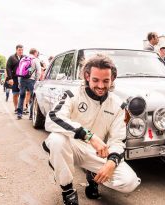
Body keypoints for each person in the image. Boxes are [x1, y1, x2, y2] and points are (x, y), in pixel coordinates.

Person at [42, 54, 141, 205]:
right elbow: (53, 118)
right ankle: (68, 191)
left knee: (129, 182)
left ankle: (93, 175)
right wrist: (89, 136)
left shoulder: (118, 105)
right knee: (56, 140)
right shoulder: (72, 95)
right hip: (72, 145)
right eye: (95, 80)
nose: (101, 86)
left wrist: (112, 162)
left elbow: (118, 140)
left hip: (97, 152)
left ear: (112, 79)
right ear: (87, 76)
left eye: (106, 81)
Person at [17, 48, 42, 120]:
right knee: (32, 98)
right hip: (31, 80)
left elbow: (20, 71)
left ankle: (19, 114)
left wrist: (19, 81)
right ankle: (31, 115)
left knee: (21, 97)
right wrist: (36, 80)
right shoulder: (35, 59)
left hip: (22, 79)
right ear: (35, 52)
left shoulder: (23, 59)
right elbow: (39, 71)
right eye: (37, 53)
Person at [6, 44, 24, 113]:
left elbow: (28, 67)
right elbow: (8, 68)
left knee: (22, 94)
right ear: (16, 50)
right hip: (15, 78)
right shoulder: (11, 57)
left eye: (22, 50)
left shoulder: (25, 57)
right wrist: (10, 78)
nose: (21, 51)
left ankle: (21, 108)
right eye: (19, 50)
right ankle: (16, 108)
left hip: (23, 78)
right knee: (15, 94)